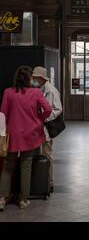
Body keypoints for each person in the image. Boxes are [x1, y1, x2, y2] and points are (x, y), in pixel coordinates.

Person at [0, 66, 52, 211]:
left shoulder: (8, 92)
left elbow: (2, 114)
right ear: (30, 79)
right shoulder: (35, 93)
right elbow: (48, 109)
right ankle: (23, 200)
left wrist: (2, 133)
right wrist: (39, 119)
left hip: (12, 135)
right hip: (31, 134)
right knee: (26, 166)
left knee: (7, 167)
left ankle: (2, 199)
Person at [32, 66, 63, 193]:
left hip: (45, 127)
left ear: (41, 78)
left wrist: (45, 118)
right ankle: (39, 180)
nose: (33, 79)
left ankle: (49, 182)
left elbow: (58, 109)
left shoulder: (51, 91)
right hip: (37, 128)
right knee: (38, 155)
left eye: (35, 77)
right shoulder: (38, 88)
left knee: (47, 154)